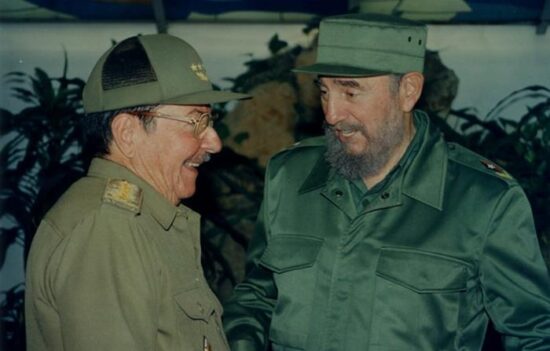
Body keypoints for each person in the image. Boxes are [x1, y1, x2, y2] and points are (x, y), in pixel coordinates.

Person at [223, 13, 550, 350]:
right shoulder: (290, 176)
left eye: (350, 93)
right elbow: (257, 297)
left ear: (408, 91)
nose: (332, 114)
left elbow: (536, 335)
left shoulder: (484, 200)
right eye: (324, 91)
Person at [25, 33, 249, 351]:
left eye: (210, 119)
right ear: (127, 133)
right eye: (196, 121)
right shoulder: (106, 230)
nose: (214, 141)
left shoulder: (147, 220)